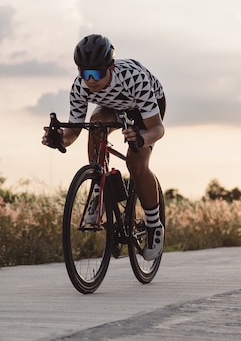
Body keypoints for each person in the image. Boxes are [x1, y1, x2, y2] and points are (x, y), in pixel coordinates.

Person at [42, 34, 166, 261]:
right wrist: (59, 139)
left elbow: (157, 129)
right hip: (113, 106)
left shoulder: (133, 77)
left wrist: (140, 138)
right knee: (95, 123)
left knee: (136, 163)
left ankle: (154, 225)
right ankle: (99, 185)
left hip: (144, 108)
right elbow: (74, 131)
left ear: (111, 66)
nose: (91, 80)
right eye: (84, 73)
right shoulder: (80, 87)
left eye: (97, 73)